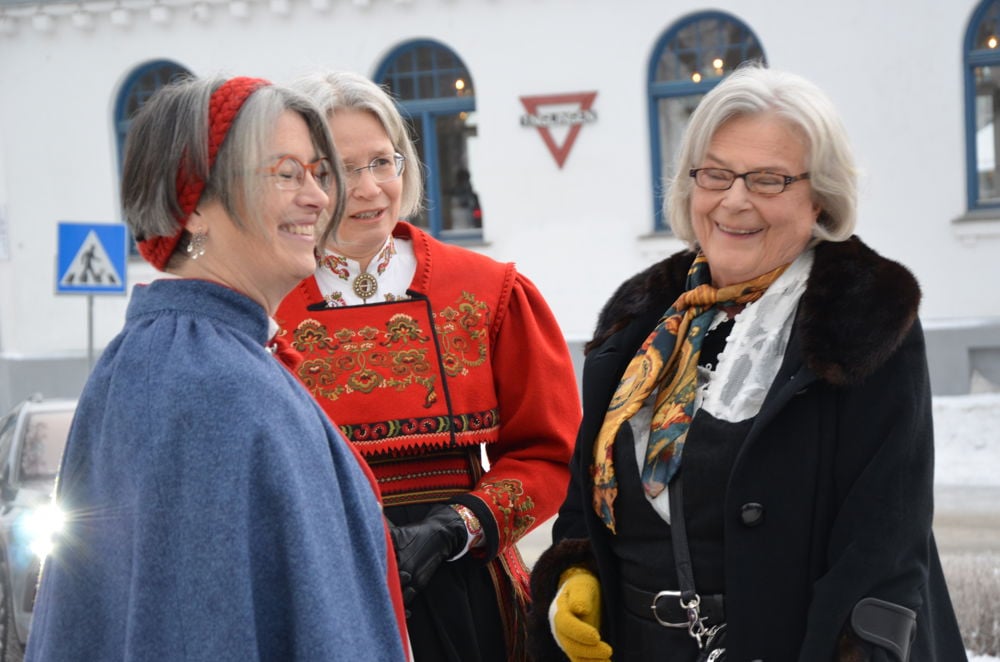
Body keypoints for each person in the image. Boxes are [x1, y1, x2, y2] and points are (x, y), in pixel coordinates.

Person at [527, 64, 967, 661]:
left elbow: (883, 545)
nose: (734, 200)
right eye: (716, 174)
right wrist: (577, 573)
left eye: (768, 180)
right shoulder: (639, 323)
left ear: (820, 197)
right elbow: (588, 494)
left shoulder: (864, 320)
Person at [26, 76, 408, 661]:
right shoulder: (209, 383)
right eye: (286, 173)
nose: (319, 198)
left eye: (317, 173)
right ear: (197, 206)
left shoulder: (185, 353)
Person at [275, 70, 580, 662]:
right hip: (319, 589)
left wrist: (456, 527)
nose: (369, 189)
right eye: (342, 169)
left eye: (381, 163)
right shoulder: (265, 304)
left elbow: (547, 453)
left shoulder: (488, 291)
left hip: (465, 588)